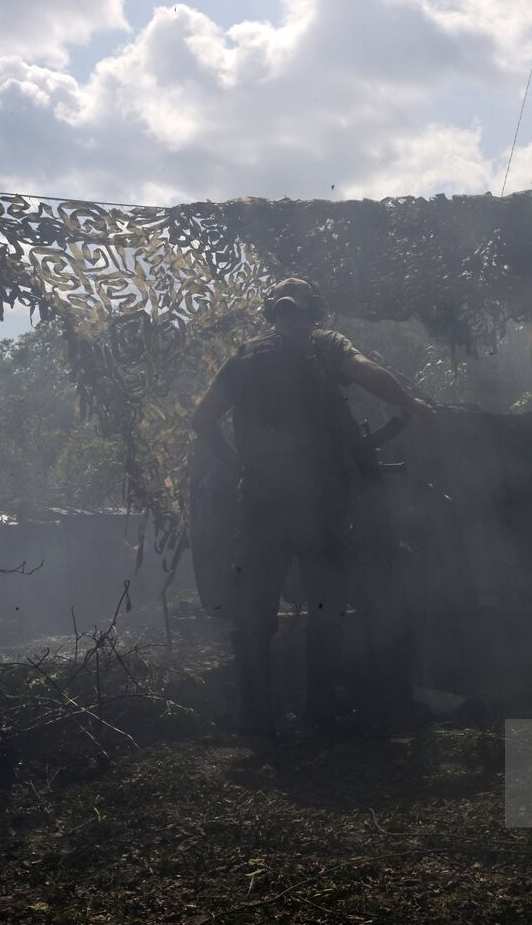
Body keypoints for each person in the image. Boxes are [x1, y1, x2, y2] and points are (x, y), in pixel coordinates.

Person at [191, 277, 434, 736]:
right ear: (314, 313)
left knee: (255, 609)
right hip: (319, 503)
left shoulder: (245, 357)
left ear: (272, 314)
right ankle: (319, 715)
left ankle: (256, 722)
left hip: (261, 501)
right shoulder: (324, 344)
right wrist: (410, 403)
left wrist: (242, 465)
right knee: (326, 603)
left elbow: (201, 418)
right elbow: (365, 371)